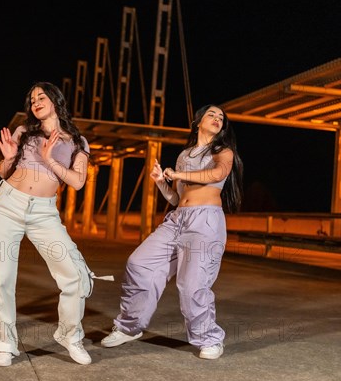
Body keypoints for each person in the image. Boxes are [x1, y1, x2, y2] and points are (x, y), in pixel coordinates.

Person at [0, 81, 109, 367]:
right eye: (32, 98)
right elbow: (3, 170)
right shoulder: (24, 132)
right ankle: (4, 342)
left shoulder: (77, 141)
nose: (36, 101)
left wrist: (49, 159)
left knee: (74, 273)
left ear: (56, 100)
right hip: (8, 204)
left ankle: (70, 335)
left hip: (44, 213)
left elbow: (77, 181)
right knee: (0, 275)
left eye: (41, 96)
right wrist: (9, 159)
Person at [101, 104, 243, 360]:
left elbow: (217, 173)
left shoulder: (223, 152)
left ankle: (209, 338)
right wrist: (160, 182)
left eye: (221, 117)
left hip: (205, 224)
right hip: (178, 219)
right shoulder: (185, 154)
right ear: (198, 121)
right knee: (139, 263)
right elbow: (177, 198)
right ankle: (130, 326)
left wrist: (179, 173)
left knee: (192, 284)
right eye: (211, 114)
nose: (217, 118)